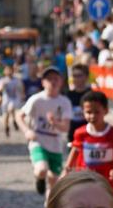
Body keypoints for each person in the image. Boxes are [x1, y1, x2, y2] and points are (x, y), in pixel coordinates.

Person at [64, 90, 113, 196]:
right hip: (84, 180)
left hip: (107, 183)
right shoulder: (80, 133)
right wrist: (67, 168)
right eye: (88, 112)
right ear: (83, 112)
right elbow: (75, 150)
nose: (92, 116)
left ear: (106, 110)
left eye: (97, 112)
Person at [17, 66, 73, 198]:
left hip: (55, 144)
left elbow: (66, 128)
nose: (52, 81)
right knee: (41, 169)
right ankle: (40, 178)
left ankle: (48, 206)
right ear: (43, 82)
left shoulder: (65, 102)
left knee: (54, 182)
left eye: (56, 79)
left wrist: (55, 123)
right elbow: (19, 115)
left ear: (61, 82)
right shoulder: (36, 99)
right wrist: (27, 131)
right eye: (49, 79)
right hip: (38, 140)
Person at [0, 65, 25, 138]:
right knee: (6, 115)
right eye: (7, 70)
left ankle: (14, 121)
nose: (9, 72)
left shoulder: (17, 80)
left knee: (10, 108)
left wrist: (22, 94)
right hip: (6, 100)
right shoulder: (2, 80)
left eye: (10, 70)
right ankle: (7, 126)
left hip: (14, 99)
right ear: (4, 72)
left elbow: (21, 87)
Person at [65, 62, 90, 142]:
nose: (76, 79)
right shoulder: (68, 95)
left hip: (88, 135)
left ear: (86, 77)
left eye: (79, 76)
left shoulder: (91, 95)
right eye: (74, 76)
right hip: (72, 135)